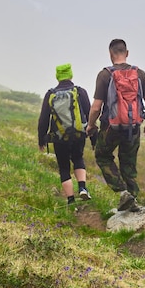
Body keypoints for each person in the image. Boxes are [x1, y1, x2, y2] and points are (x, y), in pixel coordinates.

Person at [86, 39, 145, 212]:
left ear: (111, 54)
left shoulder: (105, 75)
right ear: (127, 53)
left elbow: (96, 107)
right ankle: (133, 200)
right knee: (128, 163)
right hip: (133, 128)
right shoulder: (140, 74)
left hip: (110, 127)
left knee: (102, 155)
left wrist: (90, 125)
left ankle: (123, 193)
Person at [38, 63, 92, 206]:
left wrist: (41, 139)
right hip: (79, 134)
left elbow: (43, 119)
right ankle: (82, 188)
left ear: (57, 77)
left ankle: (70, 200)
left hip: (59, 137)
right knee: (78, 158)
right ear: (71, 75)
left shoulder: (51, 94)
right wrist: (93, 135)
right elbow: (90, 113)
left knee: (63, 167)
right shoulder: (80, 91)